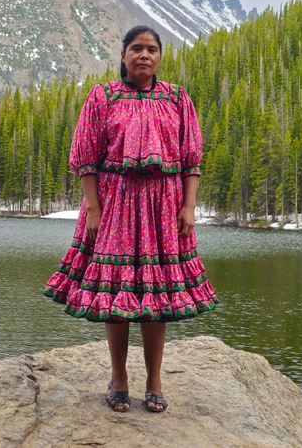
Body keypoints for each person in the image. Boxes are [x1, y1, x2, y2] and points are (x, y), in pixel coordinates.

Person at [43, 25, 218, 413]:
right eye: (136, 48)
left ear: (160, 57)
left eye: (152, 49)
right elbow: (86, 155)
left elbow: (191, 159)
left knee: (157, 297)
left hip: (164, 208)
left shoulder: (176, 98)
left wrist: (189, 207)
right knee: (117, 293)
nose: (144, 55)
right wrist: (92, 206)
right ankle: (119, 378)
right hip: (115, 204)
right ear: (122, 56)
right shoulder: (102, 96)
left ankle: (154, 380)